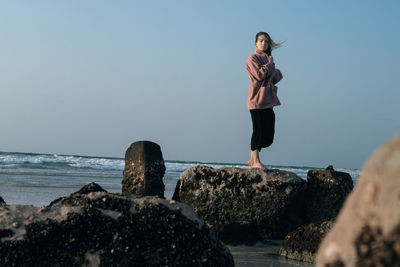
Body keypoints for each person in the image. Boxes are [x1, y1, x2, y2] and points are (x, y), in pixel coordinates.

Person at [246, 32, 283, 170]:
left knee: (268, 137)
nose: (263, 43)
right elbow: (259, 75)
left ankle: (252, 158)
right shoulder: (252, 58)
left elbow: (275, 78)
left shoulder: (268, 59)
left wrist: (272, 66)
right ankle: (255, 161)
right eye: (261, 41)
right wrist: (270, 65)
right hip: (256, 100)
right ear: (256, 43)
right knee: (258, 131)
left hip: (267, 101)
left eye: (266, 41)